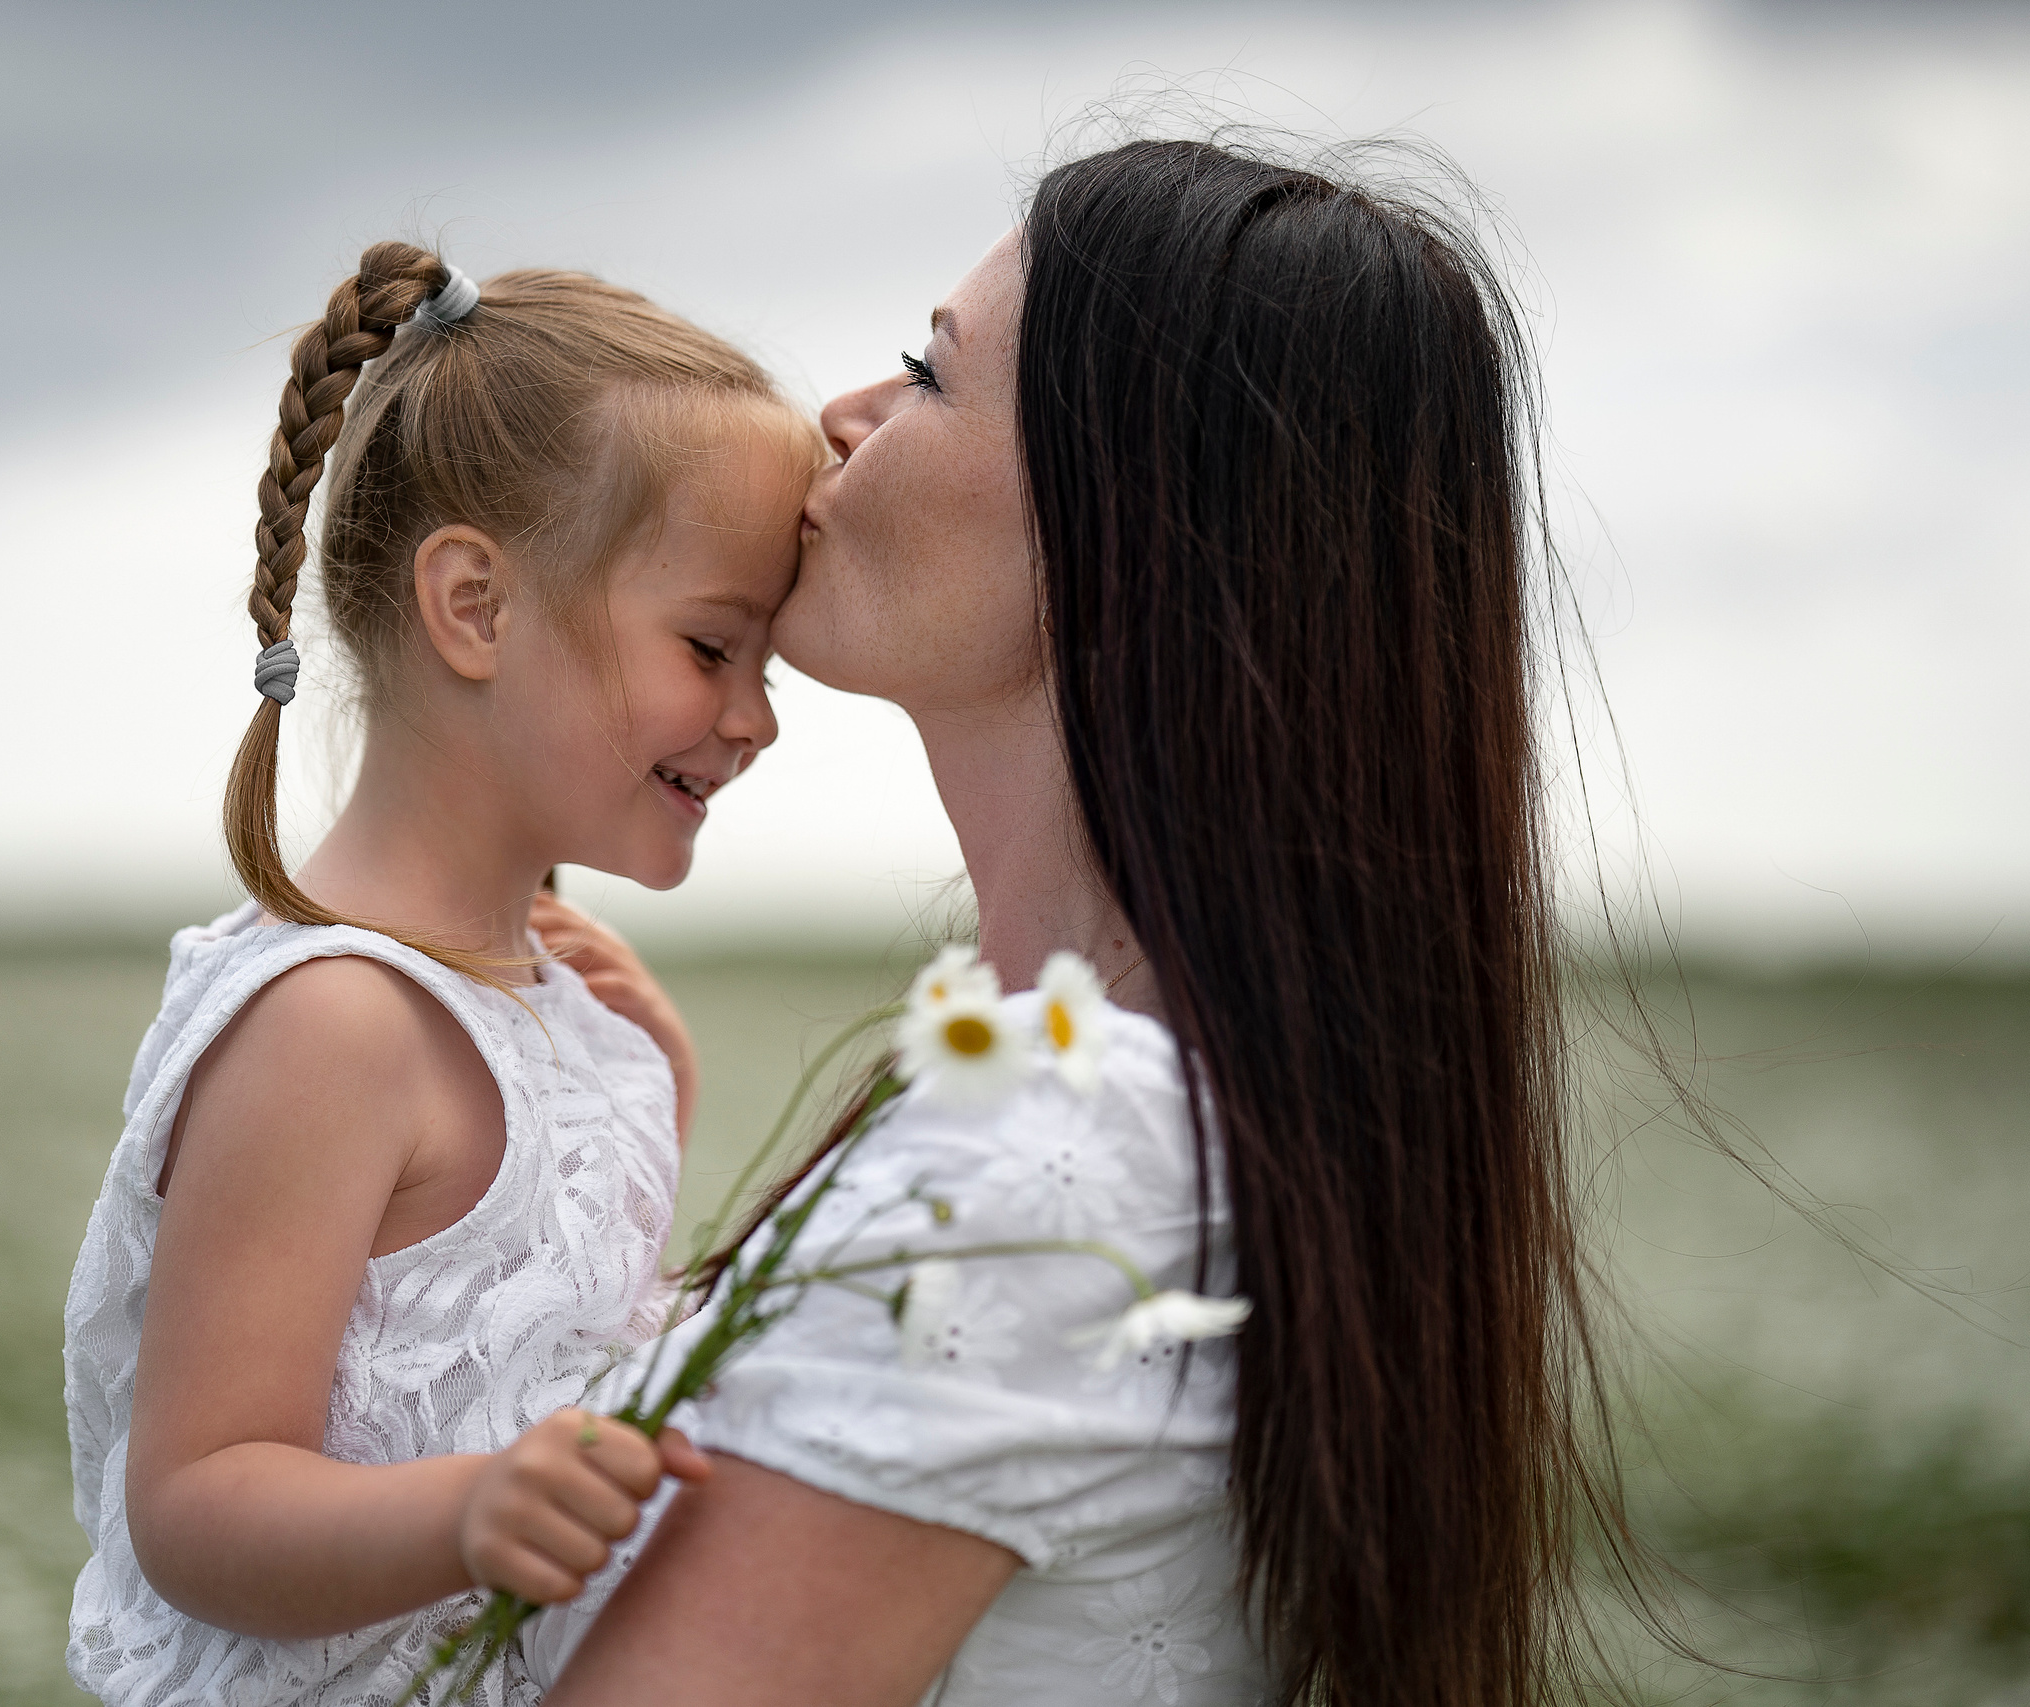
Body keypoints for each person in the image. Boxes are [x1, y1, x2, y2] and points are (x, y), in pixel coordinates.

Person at [541, 139, 1613, 1707]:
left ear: (1136, 510)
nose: (842, 416)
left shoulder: (1054, 1149)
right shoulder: (1143, 1094)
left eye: (929, 374)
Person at [60, 243, 824, 1706]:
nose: (755, 718)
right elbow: (199, 1498)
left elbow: (541, 1344)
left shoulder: (561, 1004)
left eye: (766, 667)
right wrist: (469, 1513)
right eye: (713, 645)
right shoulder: (333, 1023)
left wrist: (649, 1083)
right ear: (475, 605)